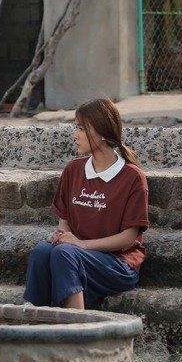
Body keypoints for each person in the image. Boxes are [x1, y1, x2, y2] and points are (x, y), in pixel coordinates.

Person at [24, 98, 149, 309]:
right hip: (75, 256)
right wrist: (63, 236)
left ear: (102, 131)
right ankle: (35, 325)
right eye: (75, 128)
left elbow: (128, 239)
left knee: (64, 254)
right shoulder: (73, 170)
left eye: (81, 129)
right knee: (41, 252)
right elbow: (64, 221)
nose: (75, 135)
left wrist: (81, 245)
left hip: (117, 264)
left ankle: (77, 330)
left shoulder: (132, 177)